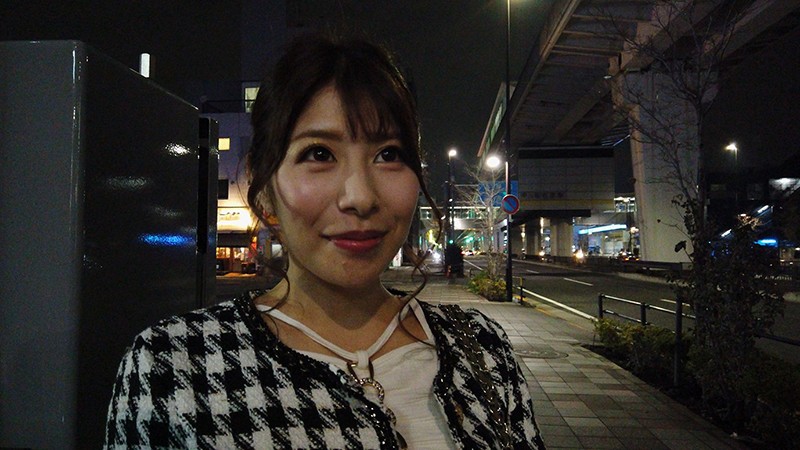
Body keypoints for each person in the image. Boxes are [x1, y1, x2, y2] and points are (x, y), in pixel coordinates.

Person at [105, 33, 545, 449]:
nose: (360, 197)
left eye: (389, 154)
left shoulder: (481, 347)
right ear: (262, 184)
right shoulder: (175, 364)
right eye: (319, 153)